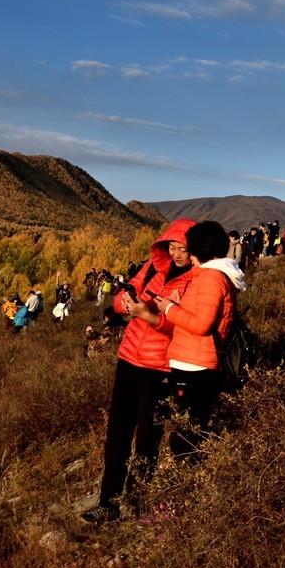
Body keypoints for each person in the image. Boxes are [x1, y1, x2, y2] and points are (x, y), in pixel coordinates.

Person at [84, 219, 198, 524]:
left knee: (148, 439)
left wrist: (150, 316)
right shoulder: (150, 268)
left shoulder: (195, 280)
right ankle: (108, 503)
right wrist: (127, 303)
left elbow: (186, 327)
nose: (176, 254)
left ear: (195, 249)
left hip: (159, 367)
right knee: (117, 435)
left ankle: (134, 503)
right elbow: (121, 299)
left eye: (182, 249)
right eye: (171, 247)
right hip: (128, 360)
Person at [130, 221, 246, 460]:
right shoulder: (210, 276)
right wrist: (179, 304)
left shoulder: (211, 278)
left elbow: (202, 325)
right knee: (190, 428)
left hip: (194, 365)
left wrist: (170, 308)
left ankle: (185, 482)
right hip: (193, 360)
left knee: (187, 434)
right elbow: (204, 315)